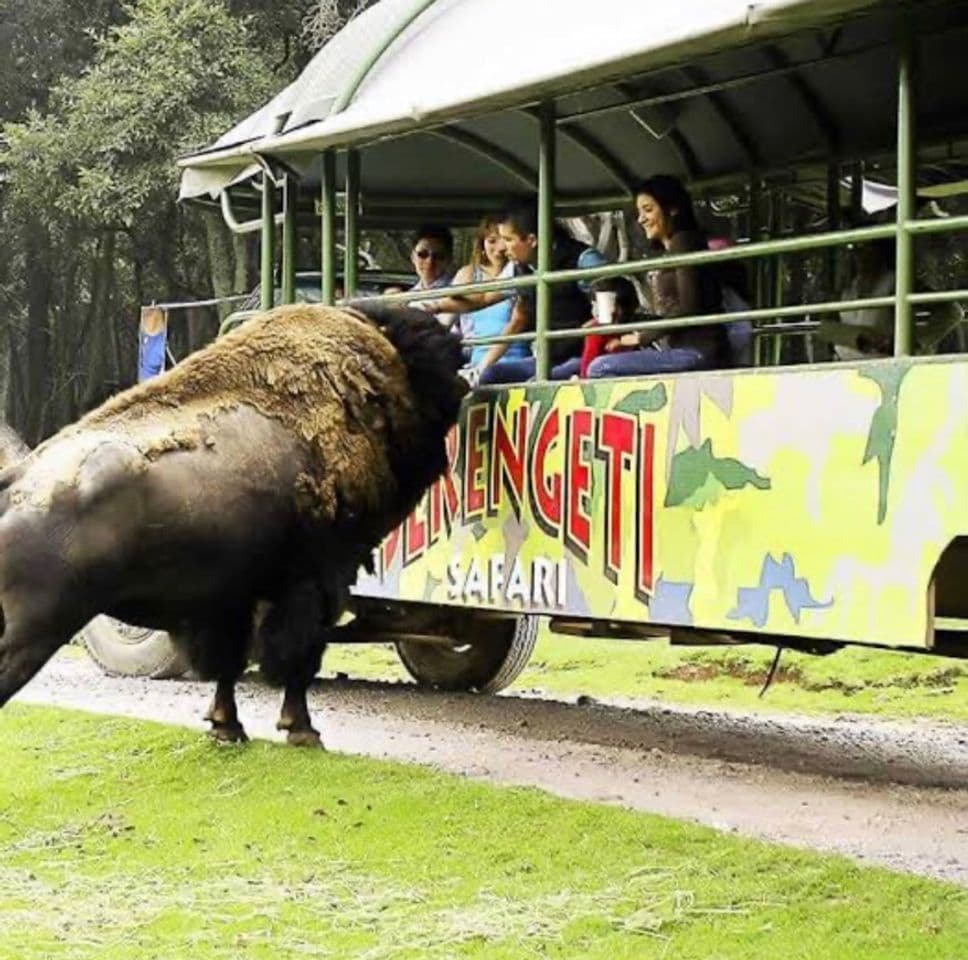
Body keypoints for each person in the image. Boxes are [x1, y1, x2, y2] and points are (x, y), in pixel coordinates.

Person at [585, 175, 729, 379]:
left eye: (648, 209)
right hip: (682, 349)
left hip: (699, 351)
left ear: (672, 209)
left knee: (601, 367)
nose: (641, 219)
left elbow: (691, 308)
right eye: (639, 212)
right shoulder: (677, 246)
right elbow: (674, 312)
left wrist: (640, 337)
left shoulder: (684, 242)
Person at [476, 200, 609, 384]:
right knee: (491, 376)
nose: (502, 248)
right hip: (544, 359)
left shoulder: (582, 259)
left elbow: (612, 300)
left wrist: (592, 326)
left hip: (581, 357)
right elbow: (487, 299)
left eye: (508, 240)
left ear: (532, 240)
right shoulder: (521, 267)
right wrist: (437, 305)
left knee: (534, 384)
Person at [450, 217, 530, 375]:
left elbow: (517, 322)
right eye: (492, 241)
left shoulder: (521, 271)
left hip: (515, 360)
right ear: (481, 243)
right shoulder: (468, 274)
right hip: (477, 362)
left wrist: (483, 367)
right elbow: (447, 313)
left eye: (505, 240)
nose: (499, 247)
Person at [406, 224, 457, 329]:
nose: (430, 262)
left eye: (438, 256)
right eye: (423, 254)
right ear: (412, 257)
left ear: (449, 259)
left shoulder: (458, 291)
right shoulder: (408, 297)